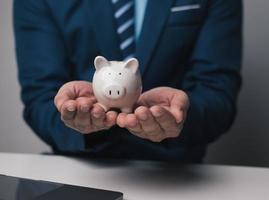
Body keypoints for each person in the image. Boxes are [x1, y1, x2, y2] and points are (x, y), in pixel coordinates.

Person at [13, 0, 242, 162]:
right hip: (79, 168)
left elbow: (218, 92)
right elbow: (40, 97)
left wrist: (178, 116)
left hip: (174, 171)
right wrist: (74, 116)